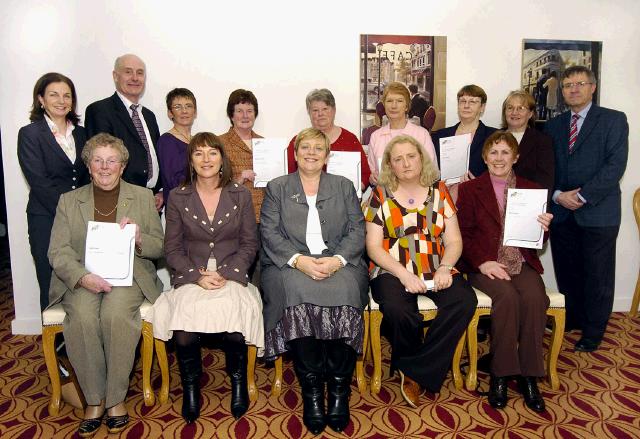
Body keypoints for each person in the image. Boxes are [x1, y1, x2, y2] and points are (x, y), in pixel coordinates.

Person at [47, 133, 164, 436]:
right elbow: (58, 251)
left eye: (112, 160)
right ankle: (94, 399)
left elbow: (158, 246)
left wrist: (139, 238)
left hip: (129, 276)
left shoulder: (141, 197)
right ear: (88, 165)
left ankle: (114, 399)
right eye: (97, 160)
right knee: (83, 318)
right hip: (83, 278)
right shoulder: (69, 201)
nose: (104, 166)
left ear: (122, 166)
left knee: (115, 316)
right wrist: (82, 277)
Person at [147, 132, 263, 424]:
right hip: (192, 275)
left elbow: (250, 243)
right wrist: (194, 277)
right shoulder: (178, 197)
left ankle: (238, 381)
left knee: (235, 327)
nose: (206, 159)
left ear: (222, 159)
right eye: (198, 153)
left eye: (212, 152)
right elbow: (171, 247)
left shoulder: (240, 194)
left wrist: (225, 274)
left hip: (231, 274)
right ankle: (190, 385)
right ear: (191, 161)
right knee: (184, 332)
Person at [261, 128, 368, 435]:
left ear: (327, 155)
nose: (310, 152)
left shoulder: (344, 185)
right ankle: (311, 393)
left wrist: (337, 260)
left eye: (317, 148)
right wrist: (299, 260)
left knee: (348, 289)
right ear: (295, 155)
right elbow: (269, 233)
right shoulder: (277, 187)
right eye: (304, 148)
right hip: (290, 264)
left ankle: (338, 390)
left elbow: (357, 231)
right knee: (295, 291)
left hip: (339, 262)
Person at [363, 134, 476, 408]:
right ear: (390, 164)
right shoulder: (380, 194)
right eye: (398, 159)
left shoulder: (440, 191)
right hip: (390, 269)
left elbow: (454, 240)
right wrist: (403, 274)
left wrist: (446, 267)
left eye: (411, 156)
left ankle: (414, 369)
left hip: (436, 265)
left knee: (464, 301)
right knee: (399, 310)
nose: (406, 163)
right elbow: (374, 247)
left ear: (421, 158)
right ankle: (418, 366)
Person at [456, 131, 553, 413]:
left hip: (519, 261)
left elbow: (538, 243)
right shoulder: (471, 189)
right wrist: (483, 262)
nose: (499, 158)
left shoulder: (531, 189)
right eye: (494, 152)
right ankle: (500, 374)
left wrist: (544, 228)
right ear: (485, 158)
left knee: (536, 298)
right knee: (507, 298)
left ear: (516, 157)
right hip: (483, 264)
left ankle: (530, 375)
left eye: (505, 152)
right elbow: (463, 234)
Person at [545, 66, 629, 353]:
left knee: (597, 275)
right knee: (567, 271)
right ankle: (574, 319)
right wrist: (557, 195)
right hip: (562, 211)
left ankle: (594, 331)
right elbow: (548, 168)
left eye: (580, 84)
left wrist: (581, 196)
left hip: (598, 212)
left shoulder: (613, 120)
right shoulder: (554, 125)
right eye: (568, 85)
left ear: (593, 87)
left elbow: (615, 166)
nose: (573, 89)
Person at [18, 72, 90, 311]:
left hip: (81, 218)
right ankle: (55, 343)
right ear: (41, 99)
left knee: (80, 276)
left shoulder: (81, 133)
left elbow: (86, 177)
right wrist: (69, 213)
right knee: (50, 279)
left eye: (67, 95)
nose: (62, 100)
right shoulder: (30, 134)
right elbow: (38, 182)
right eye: (54, 94)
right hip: (46, 218)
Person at [85, 53, 163, 210]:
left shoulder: (149, 116)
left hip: (152, 203)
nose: (135, 78)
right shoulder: (100, 111)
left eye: (140, 73)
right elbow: (102, 161)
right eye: (128, 72)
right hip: (119, 202)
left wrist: (160, 191)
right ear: (115, 76)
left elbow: (155, 156)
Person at [219, 89, 264, 285]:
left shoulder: (265, 143)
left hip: (264, 215)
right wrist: (239, 178)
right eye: (239, 110)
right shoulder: (219, 143)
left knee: (261, 272)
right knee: (238, 270)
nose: (245, 116)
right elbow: (212, 182)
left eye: (250, 111)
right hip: (235, 216)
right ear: (231, 114)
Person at [286, 89, 370, 191]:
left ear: (334, 110)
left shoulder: (350, 139)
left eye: (325, 108)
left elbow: (365, 174)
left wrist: (353, 191)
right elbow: (288, 174)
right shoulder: (298, 141)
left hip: (343, 202)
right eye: (315, 110)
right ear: (309, 113)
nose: (320, 113)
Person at [368, 82, 437, 185]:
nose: (394, 106)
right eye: (389, 101)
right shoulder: (375, 137)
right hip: (385, 197)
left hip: (416, 195)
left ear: (406, 106)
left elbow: (433, 172)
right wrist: (372, 178)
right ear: (384, 105)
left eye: (399, 101)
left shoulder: (422, 135)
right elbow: (372, 172)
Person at [431, 84, 497, 180]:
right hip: (445, 192)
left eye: (472, 102)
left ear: (482, 107)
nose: (466, 105)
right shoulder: (440, 136)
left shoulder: (494, 136)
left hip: (480, 192)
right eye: (462, 101)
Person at [501, 90, 554, 193]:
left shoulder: (542, 141)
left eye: (521, 108)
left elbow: (545, 180)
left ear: (530, 114)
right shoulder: (494, 138)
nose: (514, 112)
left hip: (527, 202)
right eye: (510, 107)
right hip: (494, 201)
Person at [157, 88, 197, 205]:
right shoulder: (167, 141)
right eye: (178, 107)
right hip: (180, 207)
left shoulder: (198, 141)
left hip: (200, 206)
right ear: (170, 113)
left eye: (188, 106)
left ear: (195, 112)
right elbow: (174, 181)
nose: (184, 111)